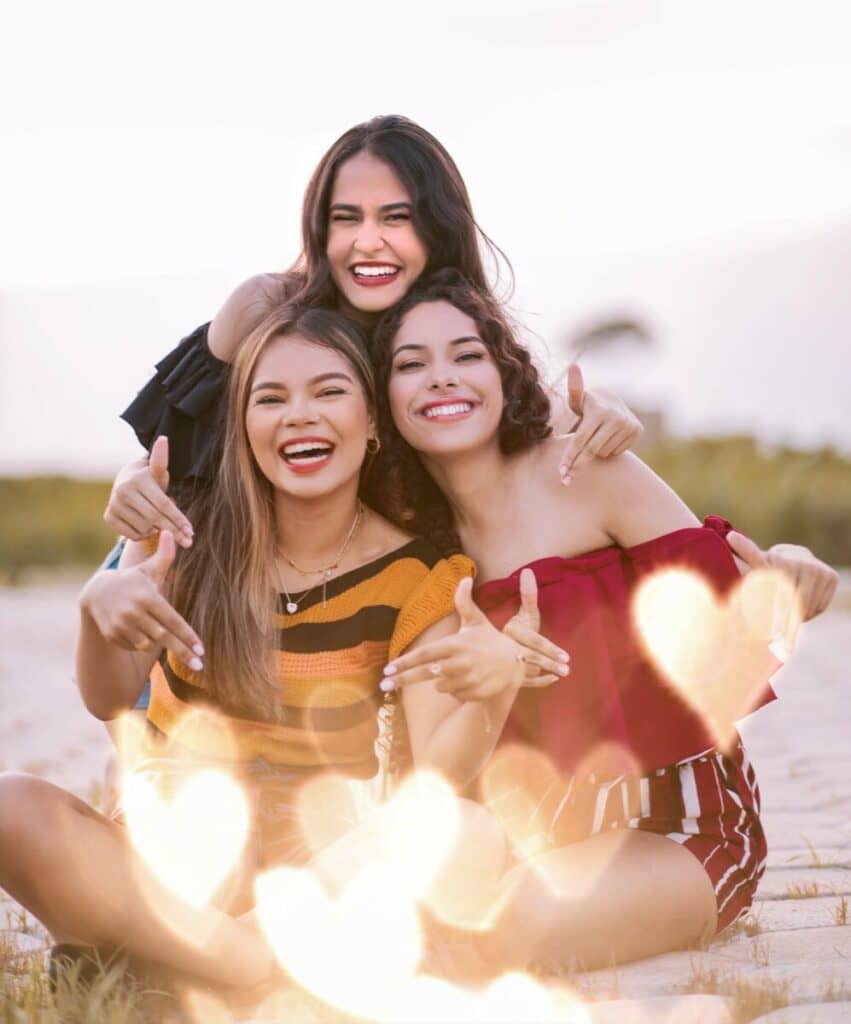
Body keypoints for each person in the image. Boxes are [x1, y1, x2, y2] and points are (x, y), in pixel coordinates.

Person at [0, 306, 564, 999]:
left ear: (374, 423)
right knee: (11, 805)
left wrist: (495, 690)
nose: (299, 414)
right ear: (241, 425)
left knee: (465, 833)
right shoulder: (183, 537)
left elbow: (438, 781)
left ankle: (177, 966)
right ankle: (244, 968)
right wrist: (98, 609)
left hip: (313, 877)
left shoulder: (423, 577)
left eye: (328, 392)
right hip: (170, 868)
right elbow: (106, 696)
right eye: (270, 398)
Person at [364, 268, 839, 973]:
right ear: (382, 403)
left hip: (674, 824)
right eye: (411, 364)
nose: (441, 378)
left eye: (466, 355)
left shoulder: (586, 472)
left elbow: (730, 613)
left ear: (504, 375)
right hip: (524, 828)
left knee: (504, 924)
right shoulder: (410, 548)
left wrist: (794, 572)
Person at [106, 114, 643, 545]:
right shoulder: (264, 307)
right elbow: (176, 450)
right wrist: (130, 479)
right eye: (346, 218)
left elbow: (529, 420)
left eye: (396, 217)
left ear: (437, 227)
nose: (367, 242)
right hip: (194, 574)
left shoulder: (455, 331)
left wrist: (598, 412)